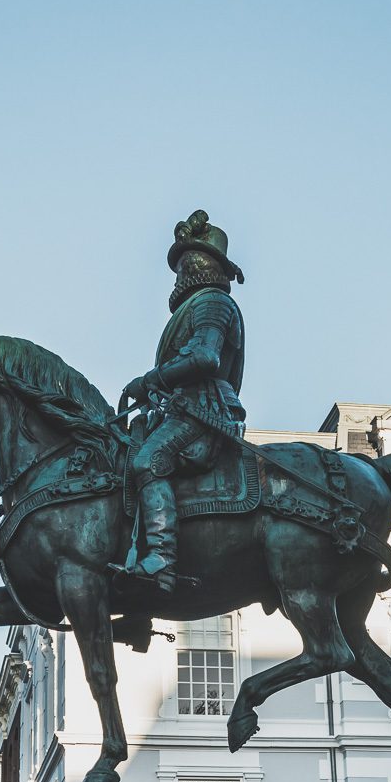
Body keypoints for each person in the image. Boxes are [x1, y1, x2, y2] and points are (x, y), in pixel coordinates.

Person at [112, 209, 246, 591]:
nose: (179, 272)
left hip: (203, 410)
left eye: (184, 264)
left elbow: (205, 356)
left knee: (148, 461)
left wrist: (151, 378)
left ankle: (162, 562)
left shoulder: (212, 303)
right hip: (184, 405)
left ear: (198, 265)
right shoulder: (199, 304)